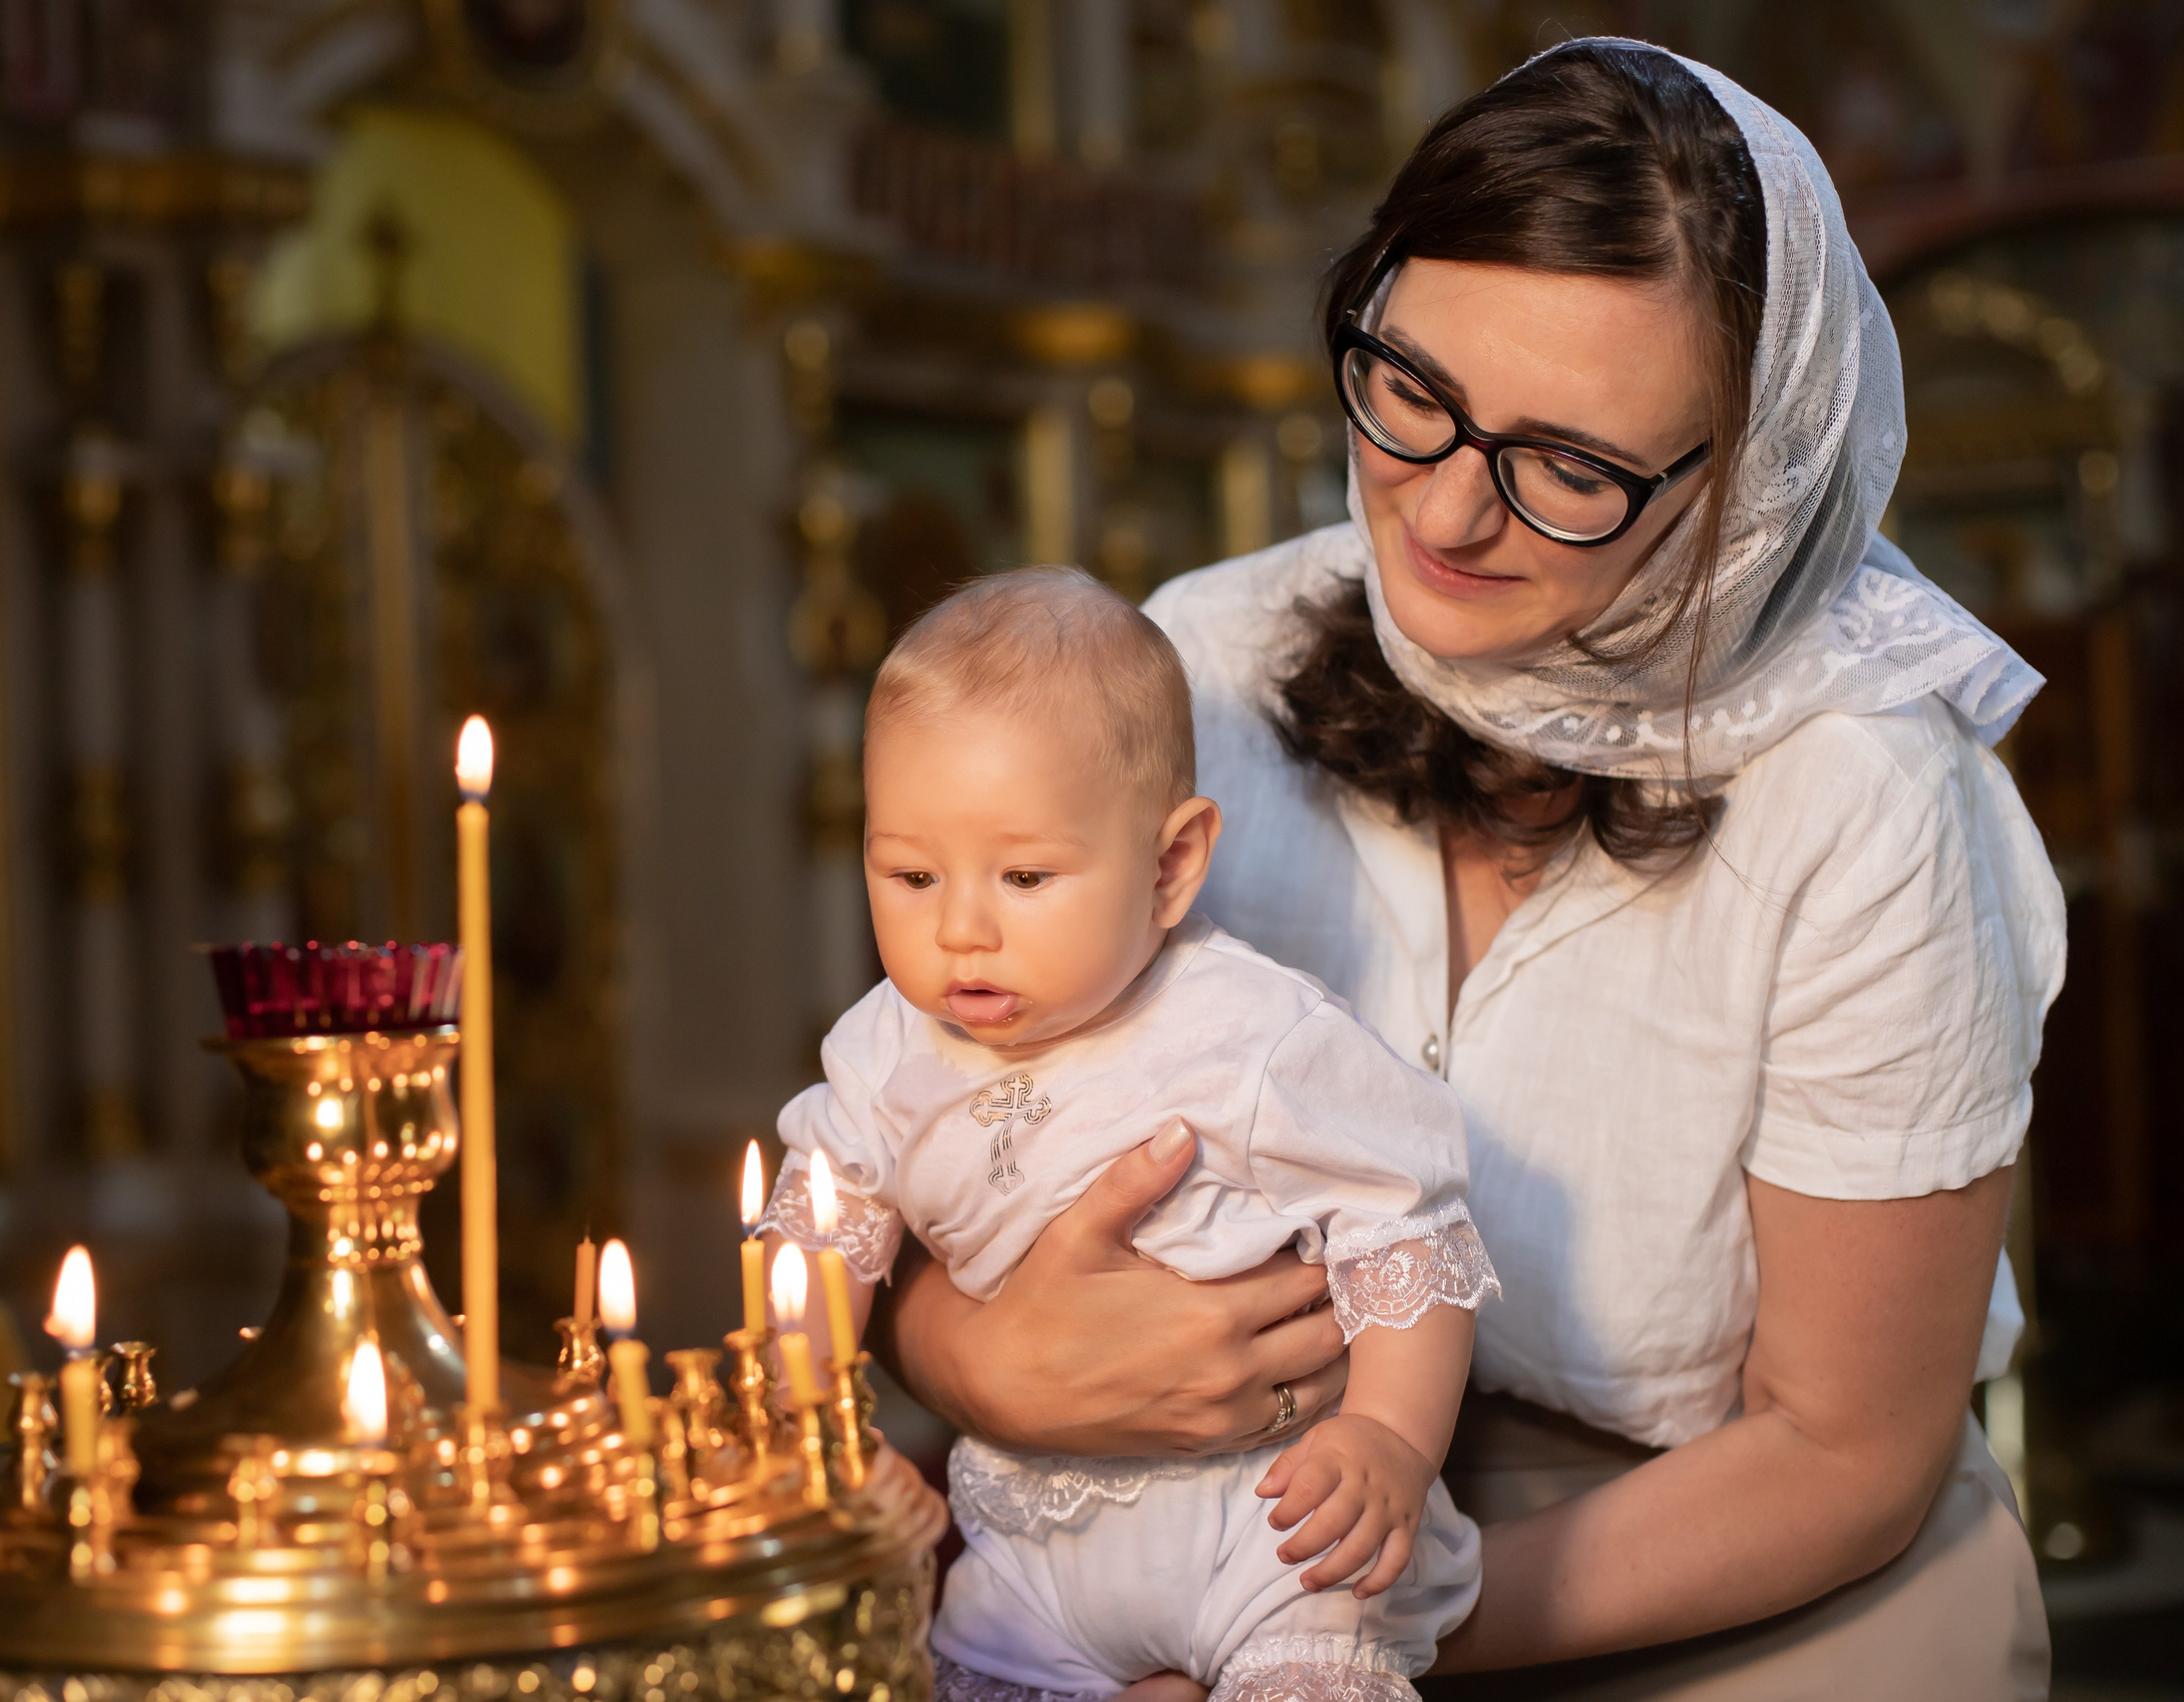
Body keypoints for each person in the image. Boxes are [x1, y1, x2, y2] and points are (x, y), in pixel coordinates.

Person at [874, 38, 2059, 1702]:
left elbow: (1844, 1454)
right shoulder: (1198, 669)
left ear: (1747, 483)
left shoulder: (1866, 795)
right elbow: (930, 1126)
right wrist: (974, 1351)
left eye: (1569, 466)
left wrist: (1296, 1639)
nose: (1440, 509)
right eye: (1411, 387)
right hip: (1208, 1530)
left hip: (1736, 1578)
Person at [766, 567, 1501, 1702]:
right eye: (909, 874)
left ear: (1169, 866)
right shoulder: (882, 1053)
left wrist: (1395, 1440)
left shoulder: (1251, 1034)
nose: (960, 929)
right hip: (1027, 1560)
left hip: (1269, 1533)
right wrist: (811, 1422)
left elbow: (1407, 1229)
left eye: (1023, 877)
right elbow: (821, 1221)